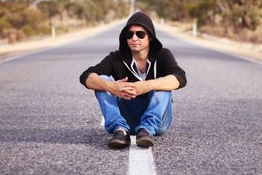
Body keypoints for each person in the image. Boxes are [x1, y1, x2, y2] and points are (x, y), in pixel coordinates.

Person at [79, 11, 186, 149]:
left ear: (150, 37)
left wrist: (147, 85)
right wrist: (110, 87)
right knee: (102, 80)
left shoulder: (162, 55)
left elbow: (180, 77)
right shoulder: (116, 58)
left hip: (157, 123)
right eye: (129, 35)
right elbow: (86, 75)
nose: (134, 38)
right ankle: (120, 130)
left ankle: (146, 130)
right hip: (127, 118)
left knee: (163, 82)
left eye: (140, 34)